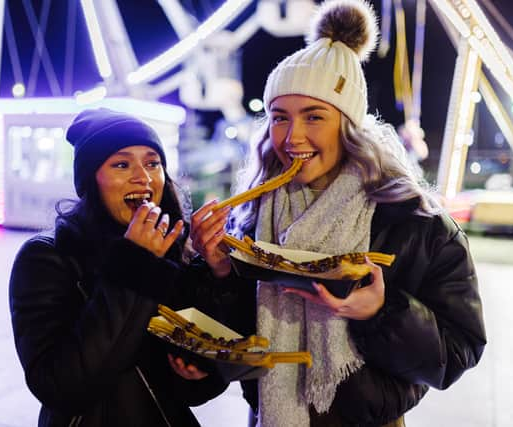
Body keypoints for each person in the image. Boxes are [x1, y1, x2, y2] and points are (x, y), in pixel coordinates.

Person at [190, 1, 487, 426]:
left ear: (349, 124)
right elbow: (241, 336)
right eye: (279, 118)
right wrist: (219, 270)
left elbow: (459, 352)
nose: (293, 137)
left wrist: (381, 312)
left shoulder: (415, 222)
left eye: (314, 116)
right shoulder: (251, 215)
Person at [9, 109, 228, 426]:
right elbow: (60, 386)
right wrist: (134, 267)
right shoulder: (47, 257)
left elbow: (191, 388)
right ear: (90, 179)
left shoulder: (171, 249)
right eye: (122, 164)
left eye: (153, 163)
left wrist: (219, 276)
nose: (143, 176)